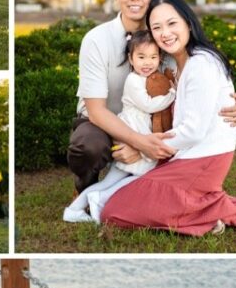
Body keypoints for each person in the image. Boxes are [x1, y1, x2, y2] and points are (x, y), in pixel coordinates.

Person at [67, 0, 236, 195]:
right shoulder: (96, 40)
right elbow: (96, 110)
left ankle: (137, 184)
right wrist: (138, 143)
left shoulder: (167, 38)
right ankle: (86, 186)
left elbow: (199, 81)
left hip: (154, 124)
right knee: (88, 145)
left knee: (139, 188)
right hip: (103, 124)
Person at [101, 0, 236, 235]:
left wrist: (146, 147)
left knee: (113, 211)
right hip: (182, 154)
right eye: (157, 27)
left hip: (201, 159)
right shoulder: (173, 65)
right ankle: (201, 203)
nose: (165, 33)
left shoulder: (202, 64)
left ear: (188, 22)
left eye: (172, 23)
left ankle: (211, 211)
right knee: (118, 197)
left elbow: (194, 131)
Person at [64, 30, 175, 223]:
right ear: (130, 59)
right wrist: (172, 94)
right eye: (141, 57)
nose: (147, 62)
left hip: (140, 131)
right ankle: (89, 205)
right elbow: (148, 104)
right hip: (132, 131)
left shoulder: (150, 78)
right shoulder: (133, 80)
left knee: (117, 181)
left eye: (153, 57)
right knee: (120, 180)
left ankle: (78, 208)